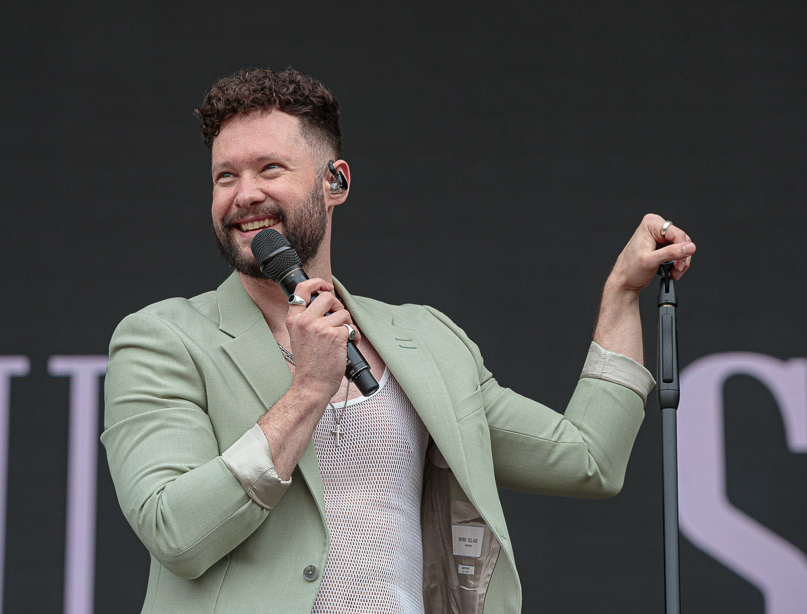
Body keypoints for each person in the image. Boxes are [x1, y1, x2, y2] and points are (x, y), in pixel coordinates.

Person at [102, 67, 695, 614]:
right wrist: (307, 390)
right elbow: (174, 532)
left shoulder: (425, 341)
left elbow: (589, 459)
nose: (243, 194)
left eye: (269, 169)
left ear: (336, 182)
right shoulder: (163, 339)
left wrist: (621, 294)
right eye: (224, 176)